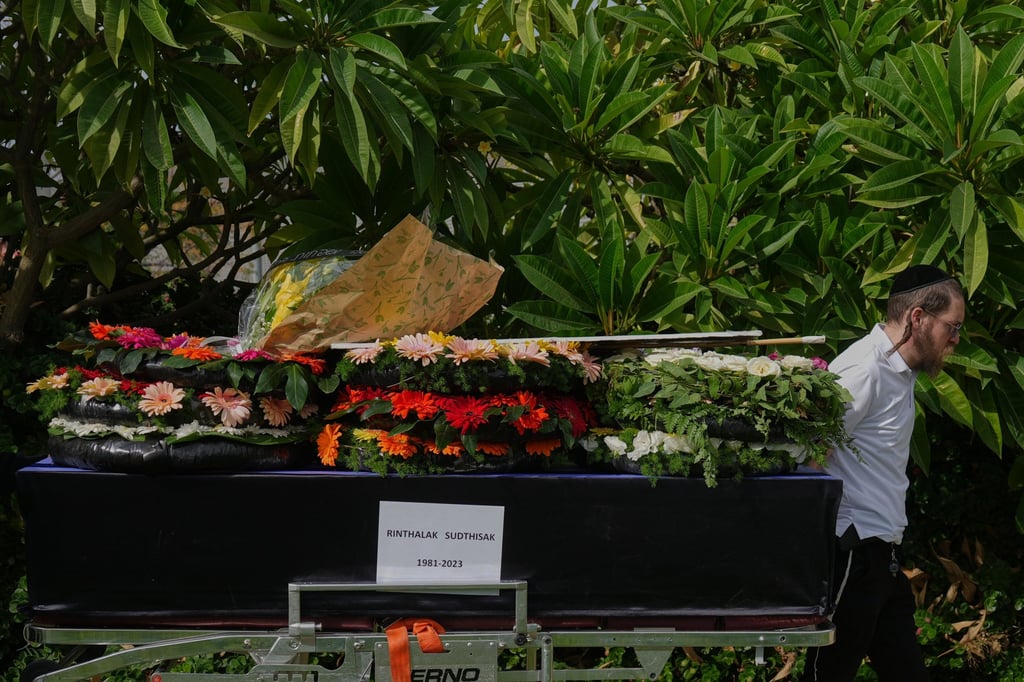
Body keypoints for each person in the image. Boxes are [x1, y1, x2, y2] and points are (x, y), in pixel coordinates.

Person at [802, 264, 965, 682]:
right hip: (852, 552)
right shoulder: (864, 370)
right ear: (918, 318)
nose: (956, 339)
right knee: (828, 675)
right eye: (952, 326)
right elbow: (810, 456)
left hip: (882, 555)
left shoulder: (899, 371)